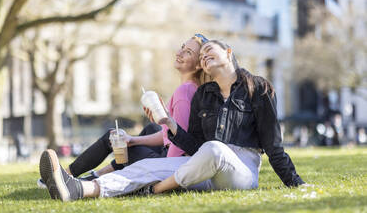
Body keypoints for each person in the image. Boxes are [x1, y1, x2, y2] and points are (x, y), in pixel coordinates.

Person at [39, 40, 305, 201]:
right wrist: (169, 122)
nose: (204, 56)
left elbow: (273, 145)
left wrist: (296, 183)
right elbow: (195, 146)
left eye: (209, 51)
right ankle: (80, 188)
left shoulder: (258, 88)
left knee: (214, 149)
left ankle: (157, 190)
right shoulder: (204, 95)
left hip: (241, 171)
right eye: (202, 56)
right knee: (144, 168)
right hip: (202, 165)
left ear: (228, 52)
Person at [37, 34, 210, 188]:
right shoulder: (192, 88)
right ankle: (95, 174)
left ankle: (66, 176)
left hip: (169, 166)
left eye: (188, 52)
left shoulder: (184, 92)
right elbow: (171, 135)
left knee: (115, 139)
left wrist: (168, 177)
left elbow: (179, 143)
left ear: (197, 66)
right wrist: (133, 139)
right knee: (147, 131)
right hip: (171, 158)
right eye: (182, 47)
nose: (179, 53)